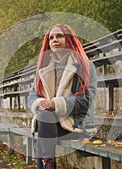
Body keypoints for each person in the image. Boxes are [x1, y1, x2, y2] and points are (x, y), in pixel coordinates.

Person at [28, 24, 97, 169]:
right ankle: (49, 164)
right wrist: (41, 103)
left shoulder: (84, 65)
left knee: (44, 119)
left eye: (59, 36)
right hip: (49, 123)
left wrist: (56, 104)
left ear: (69, 40)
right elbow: (32, 97)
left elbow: (86, 99)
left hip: (75, 124)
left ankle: (47, 165)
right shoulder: (43, 67)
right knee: (44, 116)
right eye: (51, 37)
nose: (54, 40)